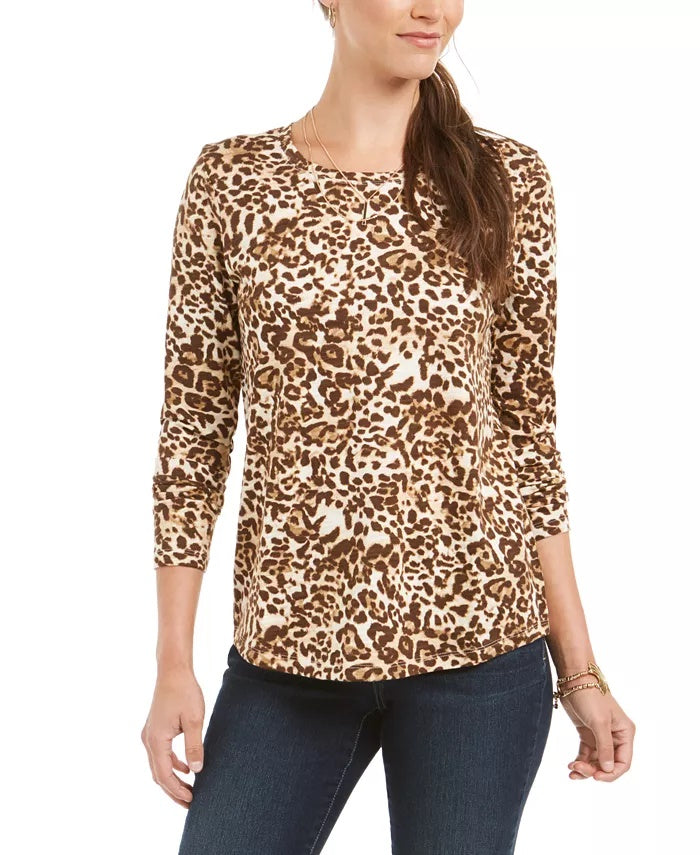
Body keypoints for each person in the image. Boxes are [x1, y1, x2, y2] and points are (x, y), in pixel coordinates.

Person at [141, 2, 636, 852]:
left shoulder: (507, 179)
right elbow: (193, 433)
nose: (431, 7)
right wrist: (172, 663)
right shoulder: (233, 181)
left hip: (480, 659)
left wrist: (580, 669)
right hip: (288, 659)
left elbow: (527, 433)